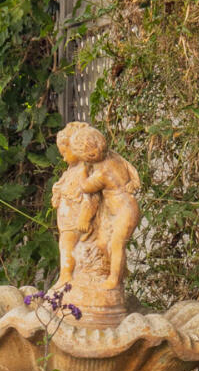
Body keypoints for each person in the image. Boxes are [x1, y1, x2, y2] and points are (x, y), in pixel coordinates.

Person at [51, 121, 141, 304]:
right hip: (124, 209)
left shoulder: (100, 172)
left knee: (115, 244)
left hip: (123, 211)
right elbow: (131, 169)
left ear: (88, 155)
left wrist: (84, 171)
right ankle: (103, 277)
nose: (64, 159)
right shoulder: (113, 158)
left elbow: (87, 190)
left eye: (66, 153)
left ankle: (113, 279)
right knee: (108, 244)